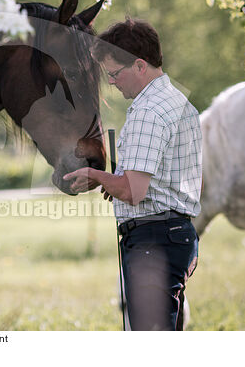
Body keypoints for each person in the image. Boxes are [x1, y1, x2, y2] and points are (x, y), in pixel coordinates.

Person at [63, 18, 202, 331]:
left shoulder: (148, 111)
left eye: (114, 73)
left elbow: (133, 191)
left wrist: (97, 176)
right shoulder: (179, 103)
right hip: (175, 235)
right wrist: (119, 181)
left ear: (140, 66)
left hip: (153, 240)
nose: (111, 82)